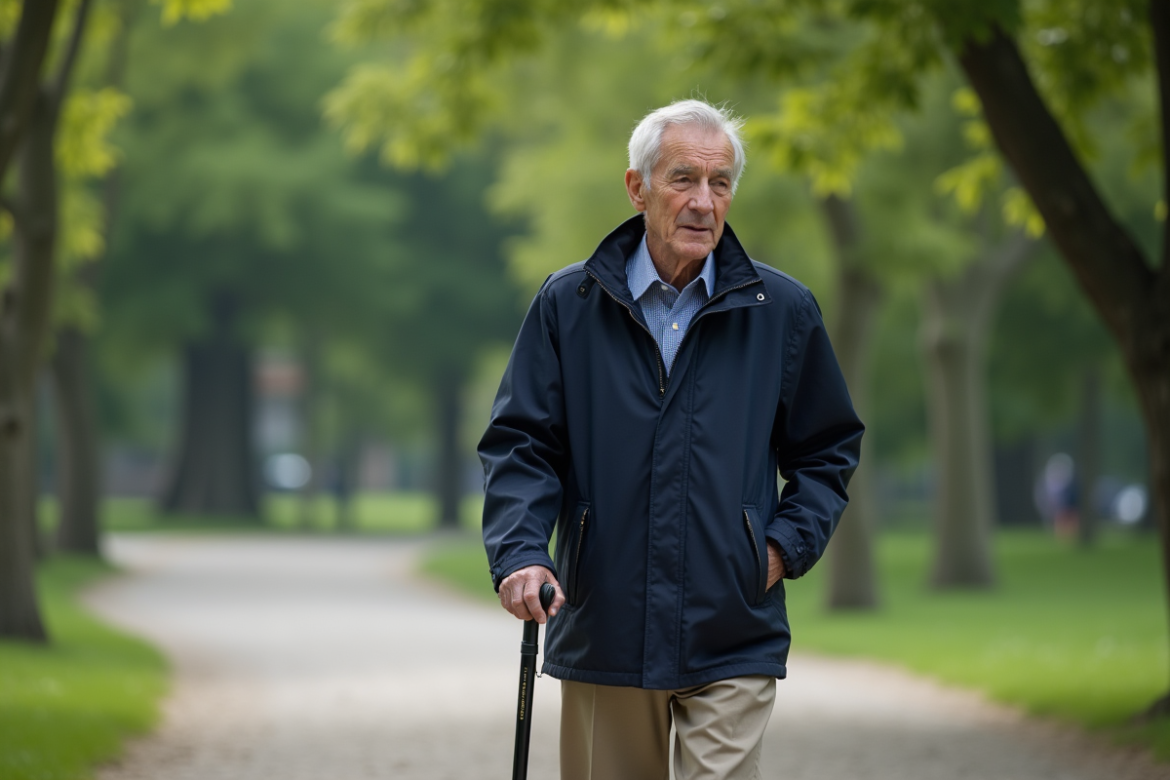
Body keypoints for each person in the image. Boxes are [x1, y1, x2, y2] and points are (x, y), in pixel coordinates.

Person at [478, 99, 864, 780]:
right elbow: (522, 444)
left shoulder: (784, 313)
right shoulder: (569, 305)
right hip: (607, 624)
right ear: (638, 187)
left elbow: (827, 449)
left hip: (732, 622)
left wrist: (778, 549)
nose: (704, 202)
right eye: (683, 179)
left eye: (719, 184)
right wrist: (520, 554)